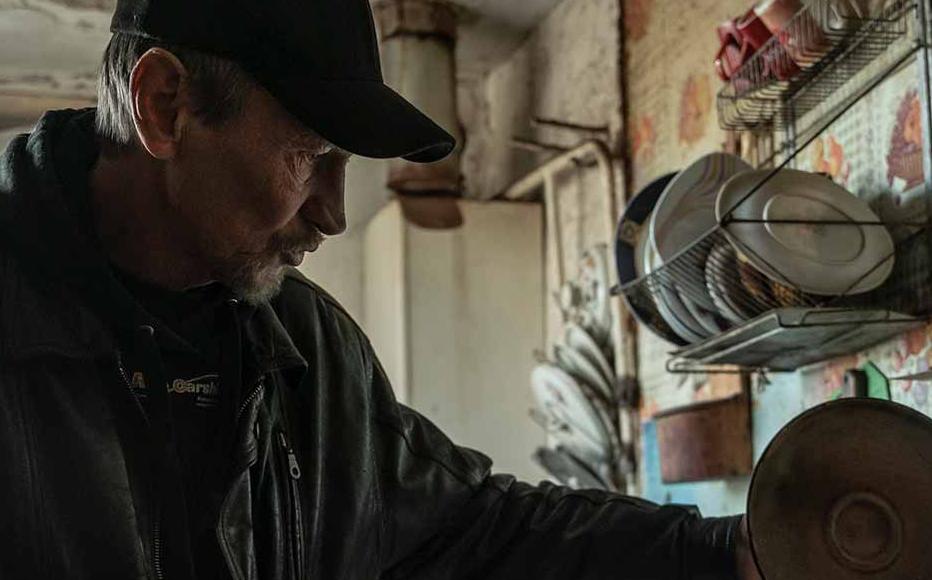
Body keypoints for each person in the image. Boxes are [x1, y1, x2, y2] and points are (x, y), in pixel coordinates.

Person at [0, 0, 762, 578]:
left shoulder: (307, 346)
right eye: (310, 155)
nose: (332, 214)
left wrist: (734, 552)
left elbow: (476, 530)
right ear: (166, 105)